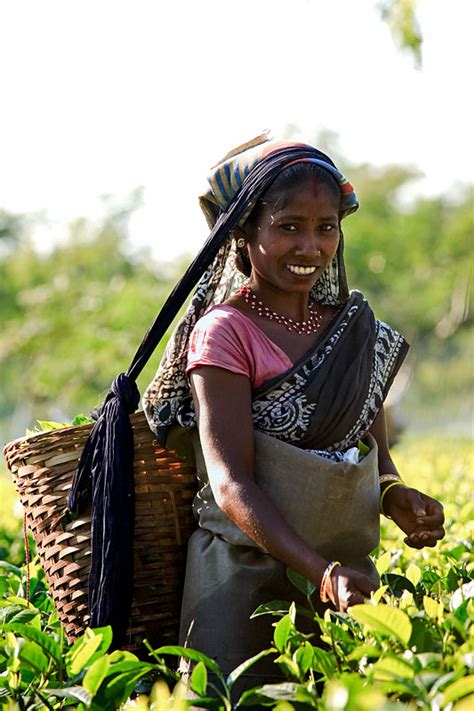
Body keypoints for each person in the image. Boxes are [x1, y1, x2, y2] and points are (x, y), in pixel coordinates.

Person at [143, 133, 445, 696]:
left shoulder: (350, 331)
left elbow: (372, 454)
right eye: (288, 227)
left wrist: (395, 495)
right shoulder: (225, 333)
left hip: (344, 577)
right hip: (244, 583)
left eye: (325, 227)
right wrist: (321, 573)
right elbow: (231, 484)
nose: (310, 246)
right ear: (244, 234)